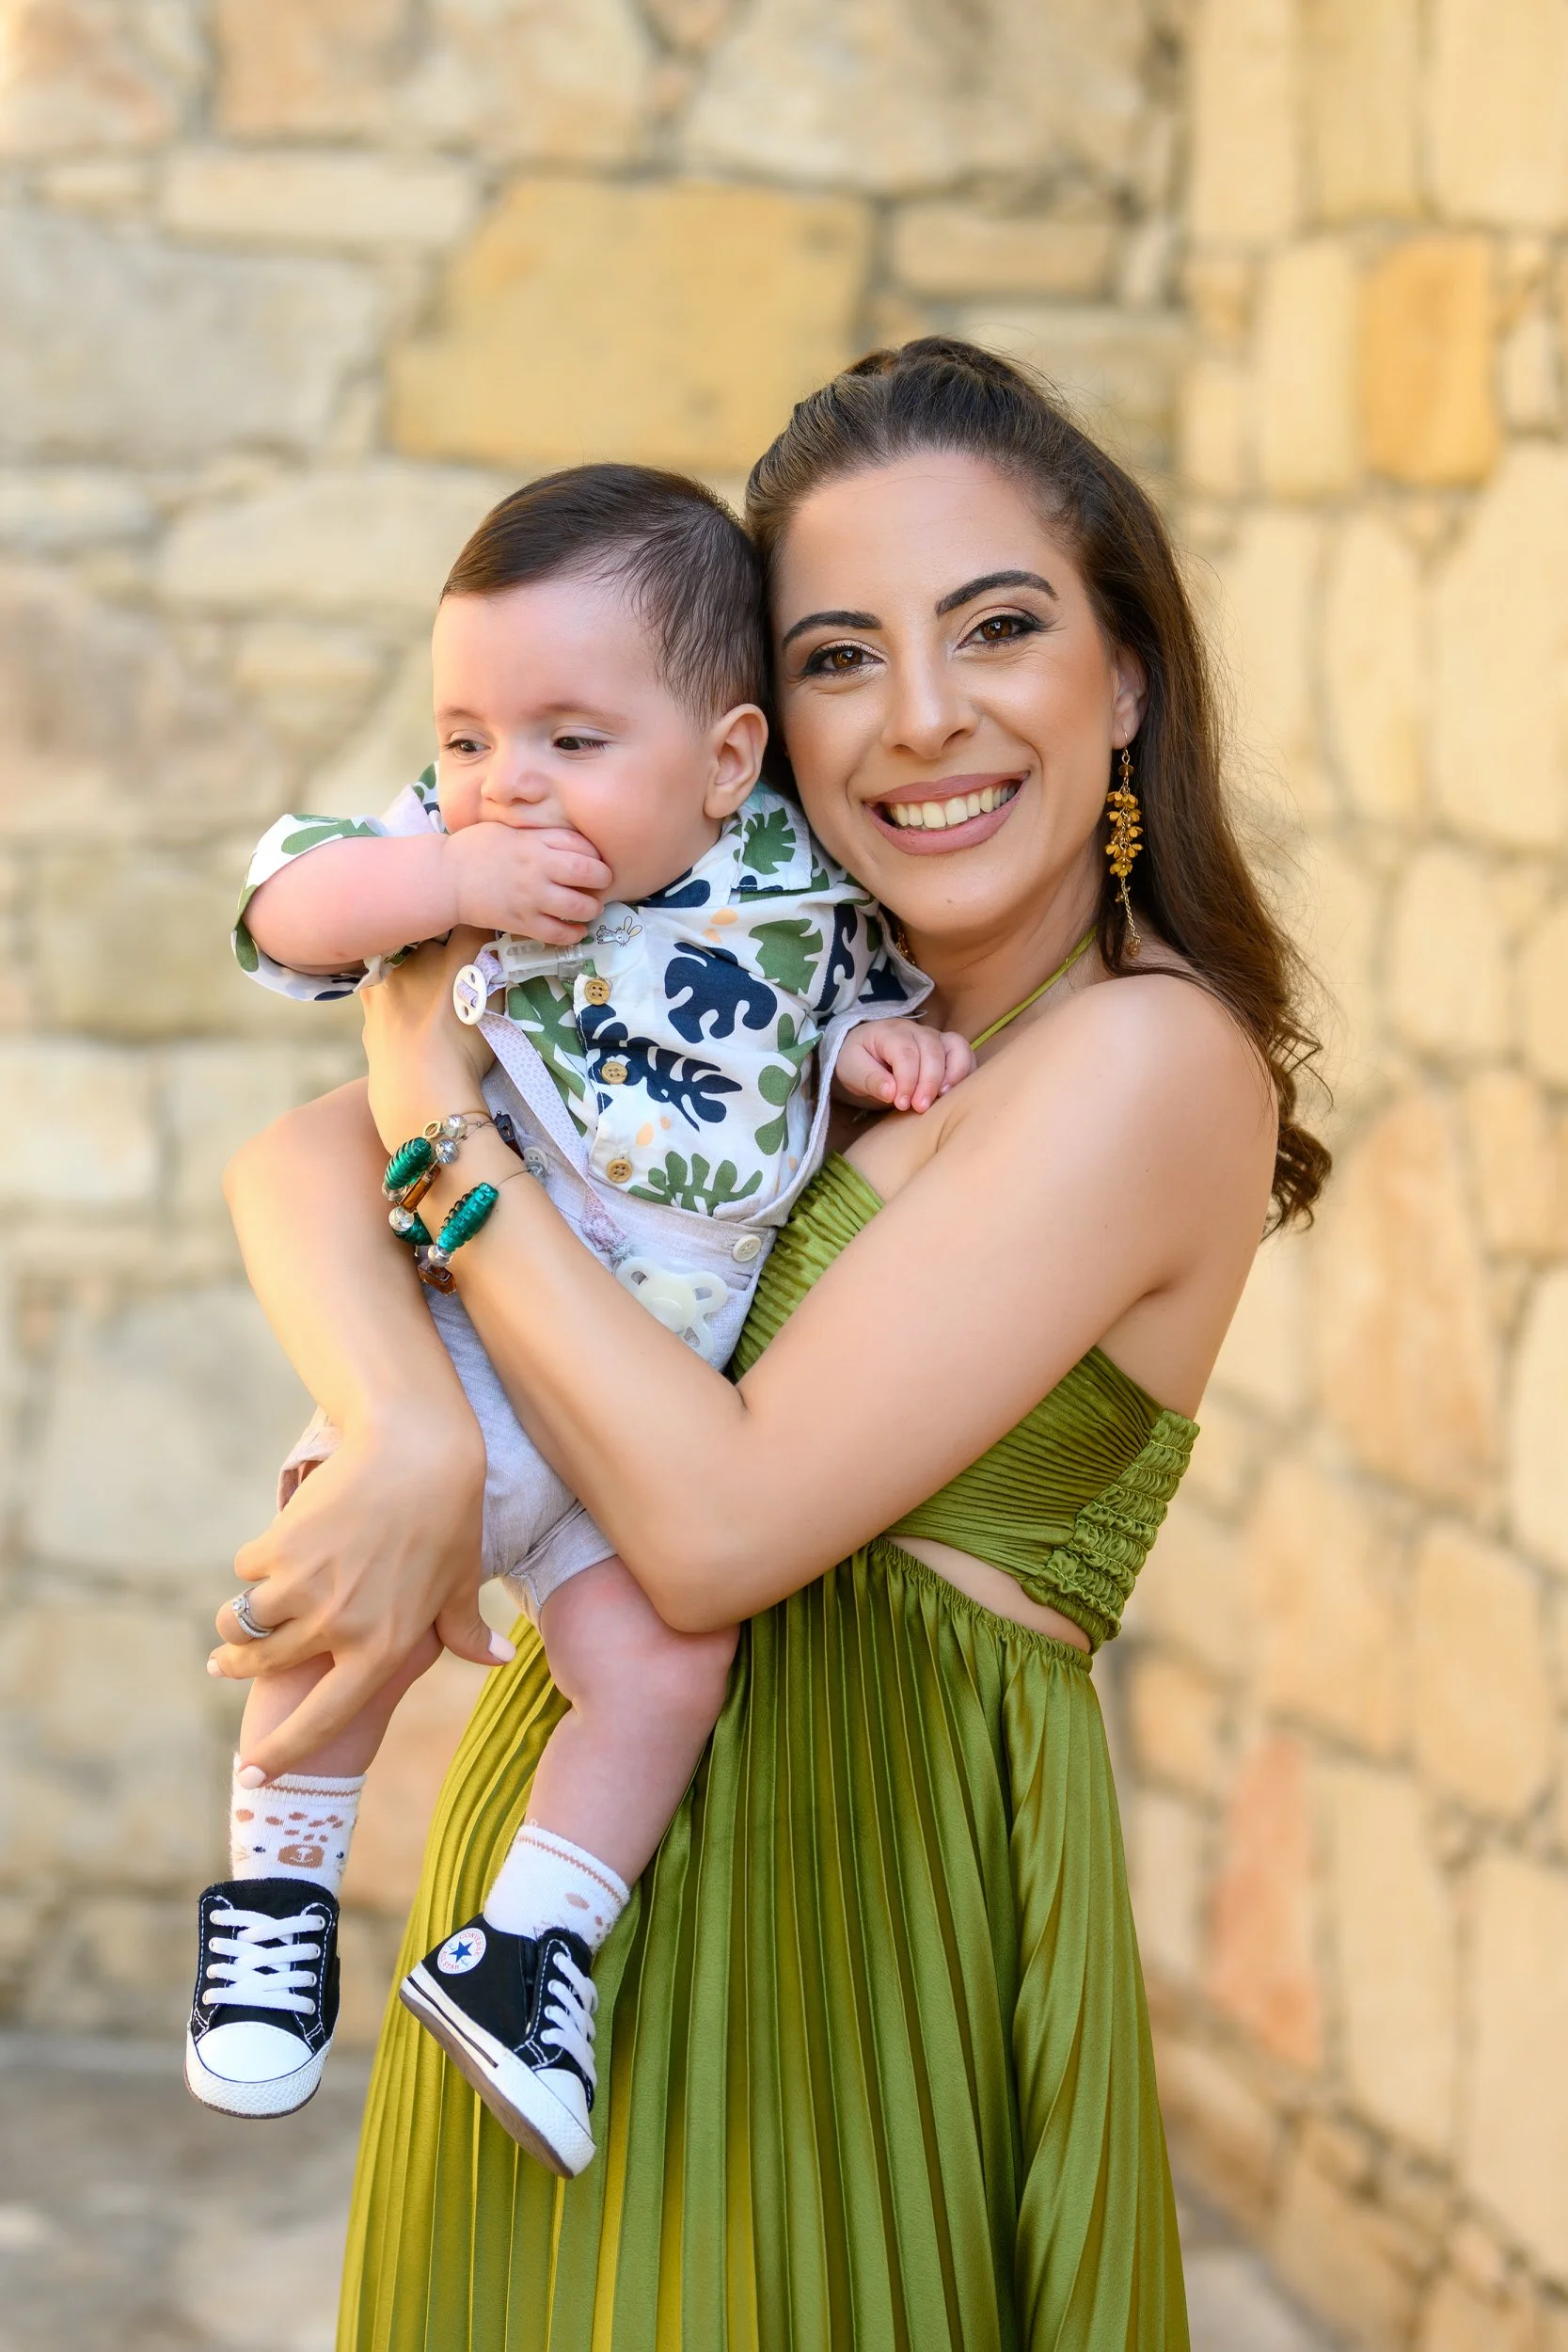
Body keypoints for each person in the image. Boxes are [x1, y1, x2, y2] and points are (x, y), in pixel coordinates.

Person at [214, 339, 1328, 2349]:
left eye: (995, 625)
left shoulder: (1141, 1057)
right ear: (753, 729)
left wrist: (432, 1093)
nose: (919, 719)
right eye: (837, 654)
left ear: (1127, 672)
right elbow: (294, 1159)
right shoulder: (761, 1000)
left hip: (853, 1929)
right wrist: (402, 1432)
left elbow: (716, 1524)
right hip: (551, 1934)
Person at [186, 465, 967, 2160]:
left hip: (636, 1419)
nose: (505, 783)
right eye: (468, 735)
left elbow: (769, 1057)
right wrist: (435, 891)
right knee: (337, 1618)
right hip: (459, 1351)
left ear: (729, 761)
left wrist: (860, 1059)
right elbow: (280, 917)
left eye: (567, 740)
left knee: (667, 1670)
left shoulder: (799, 893)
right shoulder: (453, 857)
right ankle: (274, 1909)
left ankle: (531, 1940)